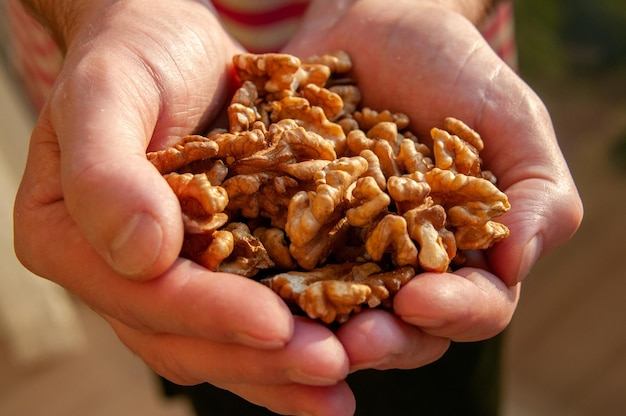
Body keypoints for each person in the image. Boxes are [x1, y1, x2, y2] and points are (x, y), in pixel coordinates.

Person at [9, 0, 583, 415]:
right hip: (142, 103)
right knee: (218, 359)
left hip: (431, 45)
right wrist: (105, 11)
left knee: (436, 369)